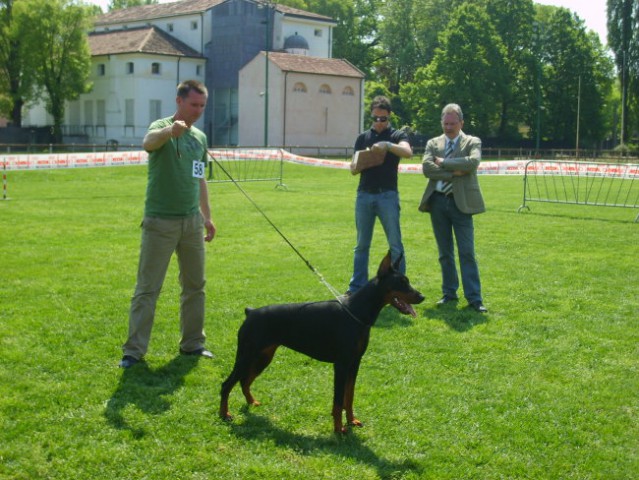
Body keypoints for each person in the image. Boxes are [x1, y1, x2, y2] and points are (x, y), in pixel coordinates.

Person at [119, 80, 217, 368]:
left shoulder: (200, 138)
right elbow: (148, 143)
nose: (198, 110)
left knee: (195, 286)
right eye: (193, 104)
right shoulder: (160, 126)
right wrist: (169, 131)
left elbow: (200, 178)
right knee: (148, 288)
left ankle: (193, 344)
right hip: (160, 222)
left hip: (191, 224)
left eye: (202, 106)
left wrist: (207, 217)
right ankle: (133, 352)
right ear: (179, 101)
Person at [419, 103, 487, 313]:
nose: (448, 127)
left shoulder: (472, 141)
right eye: (445, 123)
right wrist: (453, 173)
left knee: (467, 252)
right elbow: (426, 168)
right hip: (438, 201)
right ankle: (449, 294)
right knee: (444, 253)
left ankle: (474, 298)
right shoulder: (433, 143)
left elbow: (472, 163)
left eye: (453, 123)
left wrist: (444, 163)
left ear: (461, 123)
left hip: (462, 204)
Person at [346, 95, 413, 295]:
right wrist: (361, 163)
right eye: (375, 118)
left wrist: (387, 146)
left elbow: (408, 152)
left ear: (389, 116)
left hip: (387, 196)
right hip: (364, 195)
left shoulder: (397, 135)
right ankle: (356, 288)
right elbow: (352, 167)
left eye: (382, 119)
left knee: (395, 245)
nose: (379, 123)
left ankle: (399, 288)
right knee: (361, 245)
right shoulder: (363, 137)